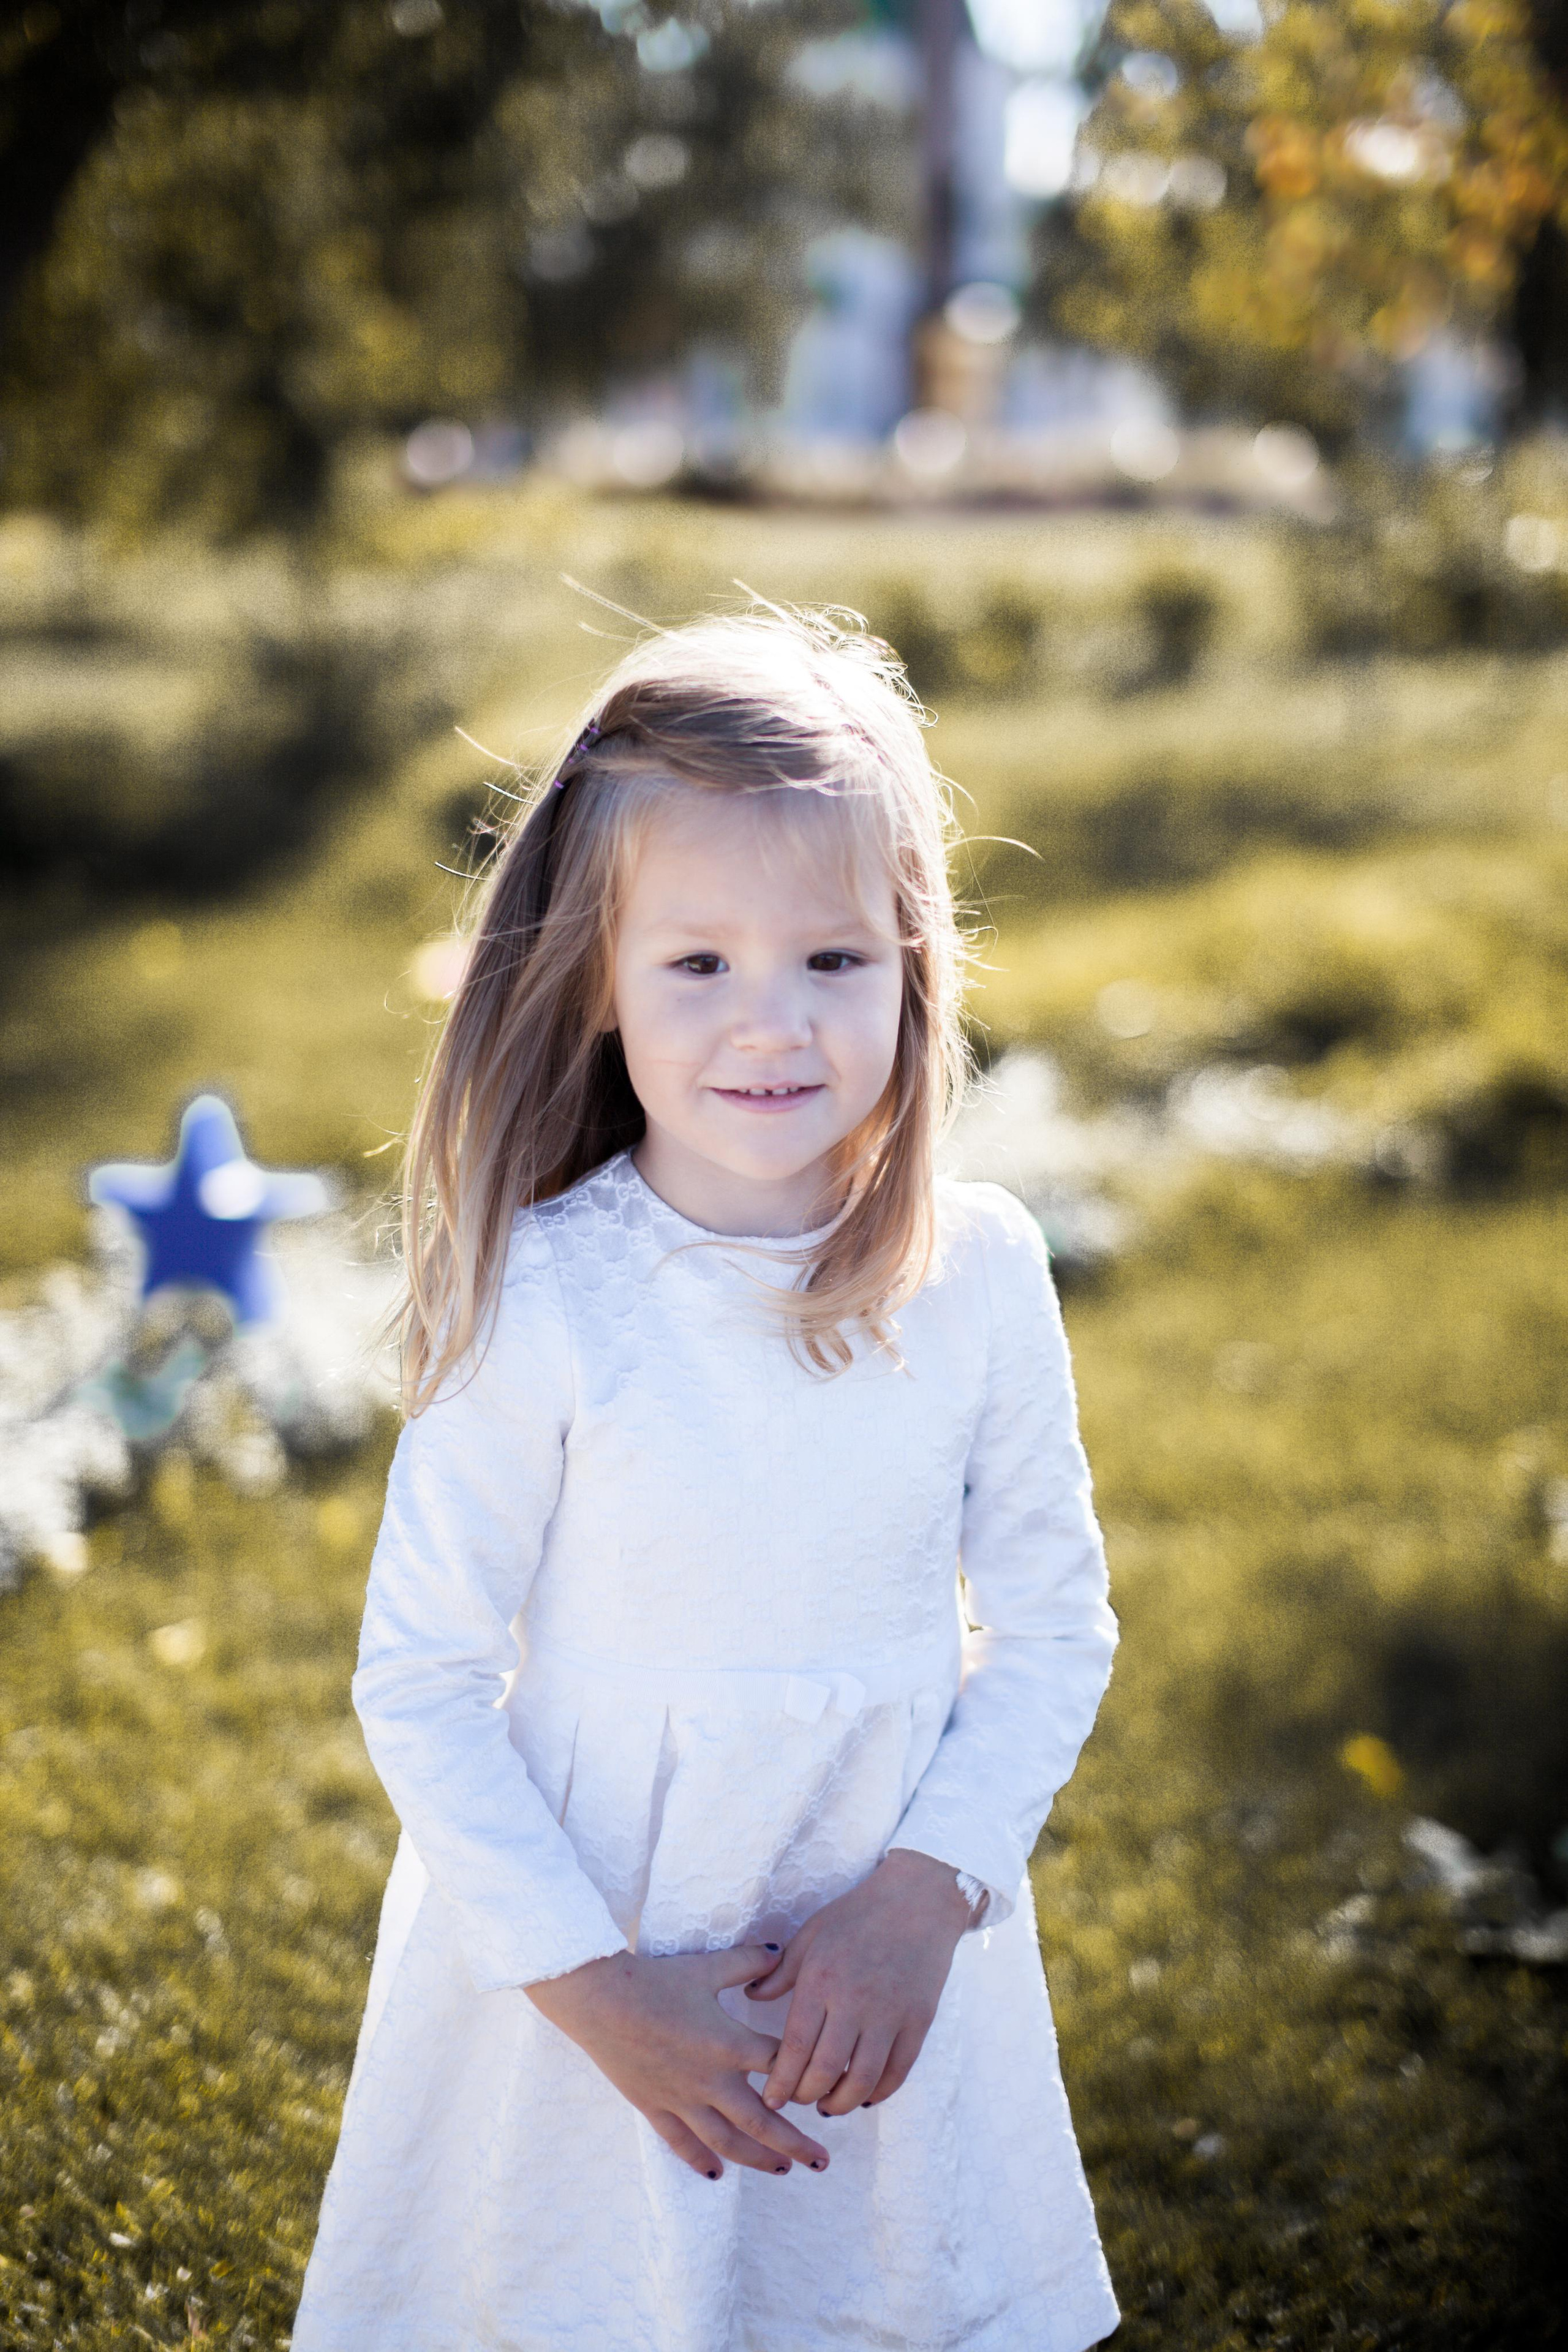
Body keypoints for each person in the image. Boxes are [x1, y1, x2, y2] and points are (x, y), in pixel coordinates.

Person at [291, 605, 1121, 2352]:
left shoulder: (976, 1274)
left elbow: (1054, 1630)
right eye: (697, 966)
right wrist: (600, 1997)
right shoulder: (550, 1293)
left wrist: (924, 1893)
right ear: (596, 979)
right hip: (595, 1962)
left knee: (858, 2302)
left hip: (876, 1969)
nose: (776, 1025)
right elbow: (424, 1682)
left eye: (835, 961)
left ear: (916, 964)